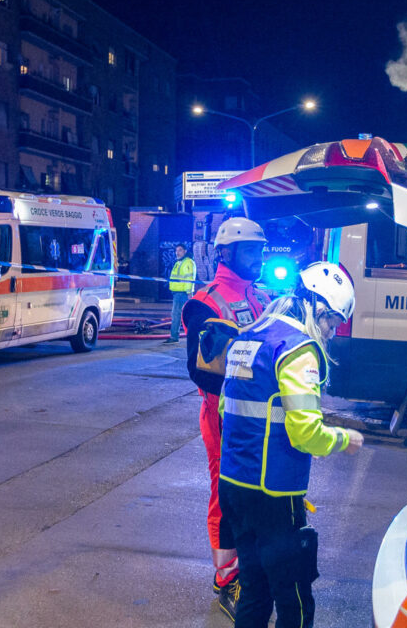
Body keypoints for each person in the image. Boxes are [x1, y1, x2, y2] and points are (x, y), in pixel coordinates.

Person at [217, 262, 364, 628]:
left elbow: (224, 409)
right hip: (275, 493)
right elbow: (305, 433)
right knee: (295, 600)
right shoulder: (298, 349)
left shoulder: (247, 336)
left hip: (233, 486)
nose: (330, 332)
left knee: (254, 591)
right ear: (316, 305)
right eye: (331, 321)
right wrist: (344, 440)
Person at [182, 216, 270, 620]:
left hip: (259, 418)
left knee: (259, 493)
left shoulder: (262, 297)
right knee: (227, 494)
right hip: (223, 419)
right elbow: (199, 372)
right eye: (251, 250)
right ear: (227, 253)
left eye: (260, 249)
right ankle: (226, 576)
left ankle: (252, 567)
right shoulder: (205, 302)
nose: (259, 256)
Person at [163, 243, 196, 344]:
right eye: (176, 250)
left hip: (182, 293)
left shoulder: (188, 262)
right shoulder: (180, 262)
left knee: (178, 315)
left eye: (180, 250)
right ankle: (186, 336)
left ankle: (174, 337)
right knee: (183, 315)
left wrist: (189, 293)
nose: (177, 252)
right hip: (178, 293)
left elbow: (190, 278)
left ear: (185, 251)